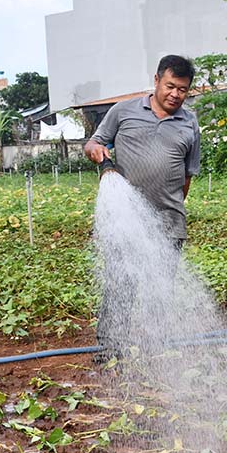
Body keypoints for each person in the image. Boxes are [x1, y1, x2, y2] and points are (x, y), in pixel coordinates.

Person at [84, 54, 201, 361]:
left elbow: (187, 176)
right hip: (124, 219)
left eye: (183, 90)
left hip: (168, 221)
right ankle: (111, 348)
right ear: (156, 81)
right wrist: (97, 152)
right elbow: (94, 143)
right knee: (120, 285)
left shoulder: (189, 123)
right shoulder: (123, 111)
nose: (176, 94)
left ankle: (156, 348)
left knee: (161, 289)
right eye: (171, 86)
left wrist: (168, 204)